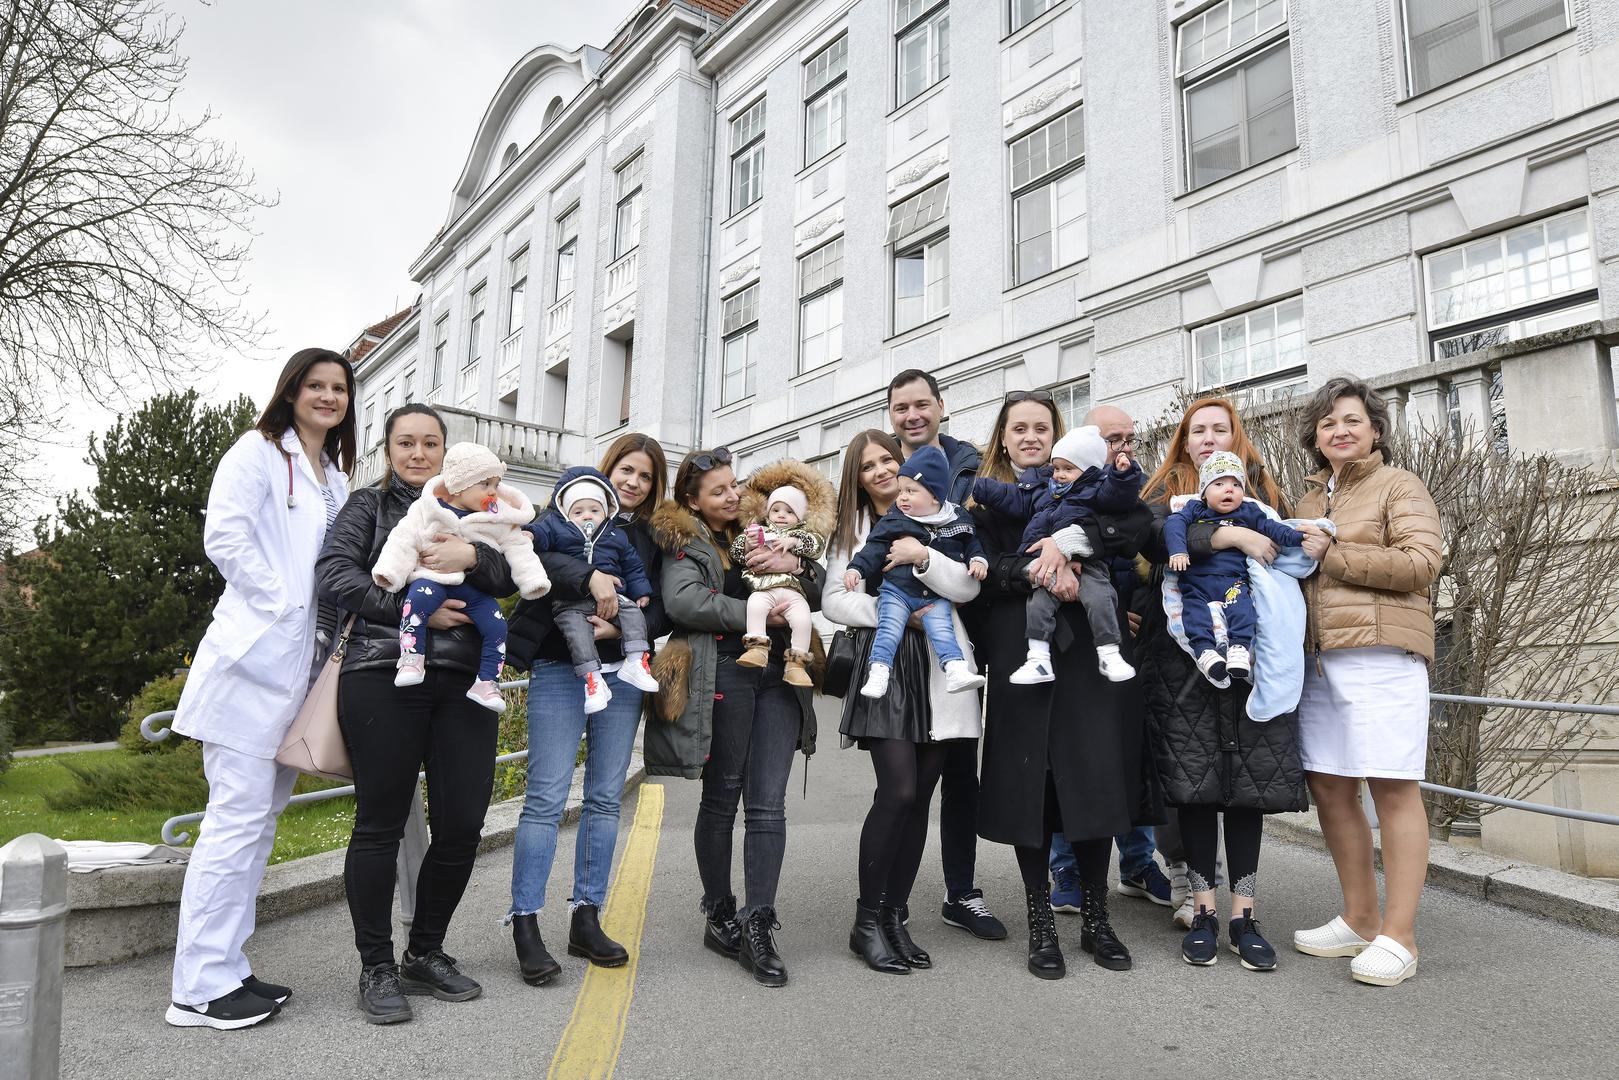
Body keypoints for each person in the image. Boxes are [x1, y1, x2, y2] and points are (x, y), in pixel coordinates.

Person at [166, 347, 355, 1030]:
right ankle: (195, 989)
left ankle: (227, 966)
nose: (328, 397)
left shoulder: (334, 473)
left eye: (338, 388)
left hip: (299, 673)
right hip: (252, 665)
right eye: (316, 385)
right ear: (292, 391)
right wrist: (280, 604)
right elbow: (227, 536)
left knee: (258, 827)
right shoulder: (256, 451)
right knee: (233, 825)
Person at [315, 403, 517, 1023]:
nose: (419, 453)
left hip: (464, 680)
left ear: (447, 451)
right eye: (407, 442)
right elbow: (333, 574)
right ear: (388, 449)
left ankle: (424, 953)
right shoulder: (368, 508)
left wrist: (473, 561)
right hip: (383, 673)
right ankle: (376, 965)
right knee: (379, 822)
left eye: (431, 443)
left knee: (461, 825)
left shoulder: (482, 507)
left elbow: (509, 571)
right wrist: (409, 608)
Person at [970, 390, 1158, 979]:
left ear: (1057, 435)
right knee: (1034, 784)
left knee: (1095, 779)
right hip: (1021, 650)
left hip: (1090, 657)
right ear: (1003, 437)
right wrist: (1033, 567)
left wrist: (1068, 545)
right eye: (1018, 428)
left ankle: (1097, 917)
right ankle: (1041, 922)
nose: (1030, 437)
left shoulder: (1085, 483)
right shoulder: (984, 497)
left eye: (1041, 428)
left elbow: (1135, 525)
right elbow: (978, 570)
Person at [647, 448, 828, 988]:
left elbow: (814, 587)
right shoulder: (686, 541)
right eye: (718, 490)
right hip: (725, 673)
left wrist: (796, 569)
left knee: (769, 803)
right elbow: (683, 603)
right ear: (693, 501)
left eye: (733, 485)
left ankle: (759, 923)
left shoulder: (766, 524)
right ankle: (720, 911)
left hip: (780, 678)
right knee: (723, 795)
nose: (731, 495)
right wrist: (762, 614)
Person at [1138, 398, 1308, 970]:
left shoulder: (1259, 492)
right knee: (1196, 784)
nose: (1208, 437)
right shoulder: (1162, 497)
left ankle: (1244, 914)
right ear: (1184, 440)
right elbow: (1155, 540)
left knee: (1247, 787)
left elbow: (1286, 544)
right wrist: (1232, 538)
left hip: (1251, 654)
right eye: (1197, 430)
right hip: (1182, 663)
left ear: (1236, 435)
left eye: (1220, 428)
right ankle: (1204, 908)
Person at [1291, 378, 1442, 988]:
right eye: (1328, 424)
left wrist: (1332, 553)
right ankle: (1359, 916)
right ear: (1316, 437)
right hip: (1319, 662)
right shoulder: (1306, 501)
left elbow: (1420, 564)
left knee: (1393, 788)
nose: (1340, 431)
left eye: (1352, 420)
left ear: (1375, 429)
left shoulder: (1399, 486)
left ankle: (1399, 937)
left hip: (1382, 656)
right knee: (1329, 787)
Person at [504, 434, 670, 986]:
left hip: (620, 673)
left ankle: (586, 917)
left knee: (604, 797)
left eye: (645, 477)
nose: (633, 482)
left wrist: (620, 623)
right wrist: (589, 577)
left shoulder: (644, 536)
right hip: (558, 667)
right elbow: (527, 555)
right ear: (608, 469)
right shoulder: (563, 514)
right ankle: (525, 923)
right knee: (546, 797)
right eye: (626, 470)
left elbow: (660, 606)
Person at [824, 430, 985, 973]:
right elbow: (834, 602)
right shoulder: (856, 531)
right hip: (887, 665)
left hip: (941, 671)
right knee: (897, 790)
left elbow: (966, 588)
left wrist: (922, 561)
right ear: (857, 476)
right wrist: (898, 611)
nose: (880, 471)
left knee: (921, 801)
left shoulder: (944, 518)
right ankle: (866, 921)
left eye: (887, 460)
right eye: (866, 466)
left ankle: (895, 917)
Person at [886, 369, 1006, 939]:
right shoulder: (882, 470)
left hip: (965, 635)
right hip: (905, 651)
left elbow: (979, 555)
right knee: (906, 784)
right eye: (900, 407)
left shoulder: (973, 470)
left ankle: (961, 892)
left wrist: (930, 559)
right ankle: (892, 899)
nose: (912, 416)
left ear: (940, 407)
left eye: (921, 405)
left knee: (962, 775)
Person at [1049, 405, 1174, 916]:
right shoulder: (1063, 487)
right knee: (1070, 757)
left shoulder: (1136, 490)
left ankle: (1138, 862)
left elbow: (1142, 540)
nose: (1123, 447)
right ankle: (1067, 867)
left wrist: (1132, 612)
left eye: (1128, 437)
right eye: (1111, 438)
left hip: (1127, 642)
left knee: (1130, 755)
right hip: (1071, 642)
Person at [372, 442, 551, 712]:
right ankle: (411, 656)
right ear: (459, 486)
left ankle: (487, 682)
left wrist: (532, 579)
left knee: (497, 627)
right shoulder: (428, 509)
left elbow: (518, 546)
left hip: (475, 591)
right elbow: (402, 539)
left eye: (496, 484)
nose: (493, 491)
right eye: (486, 484)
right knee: (416, 601)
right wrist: (390, 572)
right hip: (432, 579)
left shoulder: (497, 519)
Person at [971, 424, 1142, 683]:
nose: (1059, 475)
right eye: (1056, 468)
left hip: (1087, 563)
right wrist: (982, 488)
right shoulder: (1045, 492)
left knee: (1099, 598)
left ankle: (1109, 651)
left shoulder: (1096, 489)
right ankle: (1038, 658)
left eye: (1068, 469)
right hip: (1043, 563)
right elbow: (1015, 498)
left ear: (1087, 470)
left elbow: (1118, 497)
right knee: (1038, 605)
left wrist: (1123, 475)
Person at [843, 444, 989, 698]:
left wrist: (978, 561)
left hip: (933, 596)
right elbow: (874, 548)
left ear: (935, 495)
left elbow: (972, 543)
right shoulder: (895, 519)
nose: (902, 498)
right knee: (889, 629)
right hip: (896, 591)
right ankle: (878, 672)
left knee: (943, 630)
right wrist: (857, 568)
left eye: (910, 491)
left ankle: (955, 670)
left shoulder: (957, 519)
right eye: (901, 491)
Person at [1165, 450, 1307, 683]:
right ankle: (1206, 652)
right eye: (1219, 483)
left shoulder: (1249, 512)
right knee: (1193, 612)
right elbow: (1174, 523)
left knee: (1243, 609)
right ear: (1204, 491)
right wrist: (1178, 550)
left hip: (1233, 580)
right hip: (1196, 581)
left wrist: (1298, 537)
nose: (1228, 489)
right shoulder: (1195, 509)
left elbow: (1273, 528)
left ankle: (1239, 648)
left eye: (1235, 484)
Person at [526, 467, 661, 712]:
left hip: (615, 606)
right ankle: (592, 679)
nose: (587, 516)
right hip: (570, 606)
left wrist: (641, 592)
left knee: (632, 613)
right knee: (578, 633)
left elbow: (633, 566)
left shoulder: (616, 534)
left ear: (605, 511)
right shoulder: (557, 527)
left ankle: (635, 660)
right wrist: (530, 534)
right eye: (578, 511)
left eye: (646, 476)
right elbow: (539, 547)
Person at [730, 472, 830, 688]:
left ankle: (796, 665)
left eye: (789, 511)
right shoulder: (760, 530)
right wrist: (748, 544)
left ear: (800, 517)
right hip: (763, 587)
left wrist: (793, 541)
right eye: (775, 510)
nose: (781, 515)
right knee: (755, 606)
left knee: (802, 620)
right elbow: (737, 553)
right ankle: (757, 648)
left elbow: (816, 545)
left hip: (793, 591)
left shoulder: (802, 533)